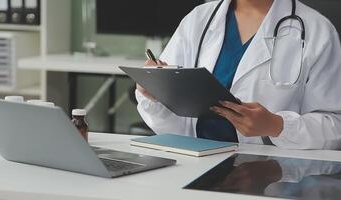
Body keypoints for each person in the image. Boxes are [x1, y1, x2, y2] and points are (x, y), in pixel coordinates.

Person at [136, 0, 341, 149]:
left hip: (274, 175)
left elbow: (335, 126)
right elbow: (170, 117)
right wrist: (155, 92)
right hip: (192, 163)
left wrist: (277, 126)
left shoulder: (317, 30)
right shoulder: (198, 19)